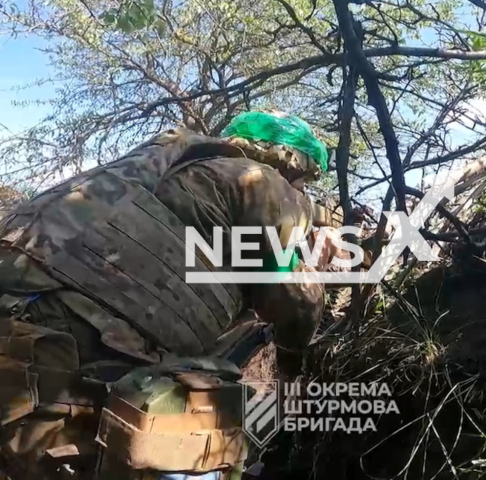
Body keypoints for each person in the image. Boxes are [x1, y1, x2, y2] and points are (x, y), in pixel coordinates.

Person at [0, 111, 343, 480]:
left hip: (22, 343)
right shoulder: (260, 181)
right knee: (208, 427)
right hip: (57, 368)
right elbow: (295, 303)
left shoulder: (164, 161)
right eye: (306, 180)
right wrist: (315, 276)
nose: (303, 190)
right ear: (290, 162)